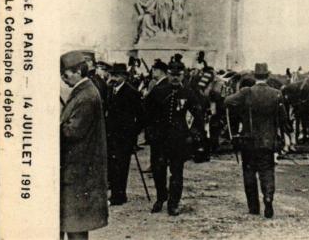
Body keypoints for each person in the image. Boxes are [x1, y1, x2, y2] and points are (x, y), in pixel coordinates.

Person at [225, 62, 288, 218]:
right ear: (268, 76)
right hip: (268, 141)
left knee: (249, 173)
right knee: (267, 171)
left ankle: (253, 207)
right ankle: (268, 198)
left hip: (248, 140)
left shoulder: (246, 92)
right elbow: (283, 119)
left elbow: (227, 102)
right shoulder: (276, 94)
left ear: (254, 76)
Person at [143, 60, 204, 216]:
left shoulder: (189, 93)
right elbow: (147, 113)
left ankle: (173, 203)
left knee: (177, 172)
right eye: (172, 75)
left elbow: (199, 115)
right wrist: (149, 131)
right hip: (159, 138)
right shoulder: (158, 91)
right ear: (168, 74)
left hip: (179, 139)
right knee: (158, 170)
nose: (175, 78)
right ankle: (161, 197)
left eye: (179, 75)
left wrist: (193, 134)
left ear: (183, 75)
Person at [60, 50, 109, 239]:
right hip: (79, 170)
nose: (64, 78)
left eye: (67, 74)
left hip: (79, 171)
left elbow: (73, 131)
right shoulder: (83, 91)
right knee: (74, 225)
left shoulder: (86, 95)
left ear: (79, 71)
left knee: (76, 228)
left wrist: (52, 127)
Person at [105, 63, 143, 206]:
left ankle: (119, 196)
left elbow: (141, 117)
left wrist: (133, 134)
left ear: (123, 77)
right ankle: (115, 193)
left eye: (116, 75)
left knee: (121, 166)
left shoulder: (131, 92)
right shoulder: (111, 90)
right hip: (111, 135)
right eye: (112, 75)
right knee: (112, 165)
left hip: (124, 137)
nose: (112, 78)